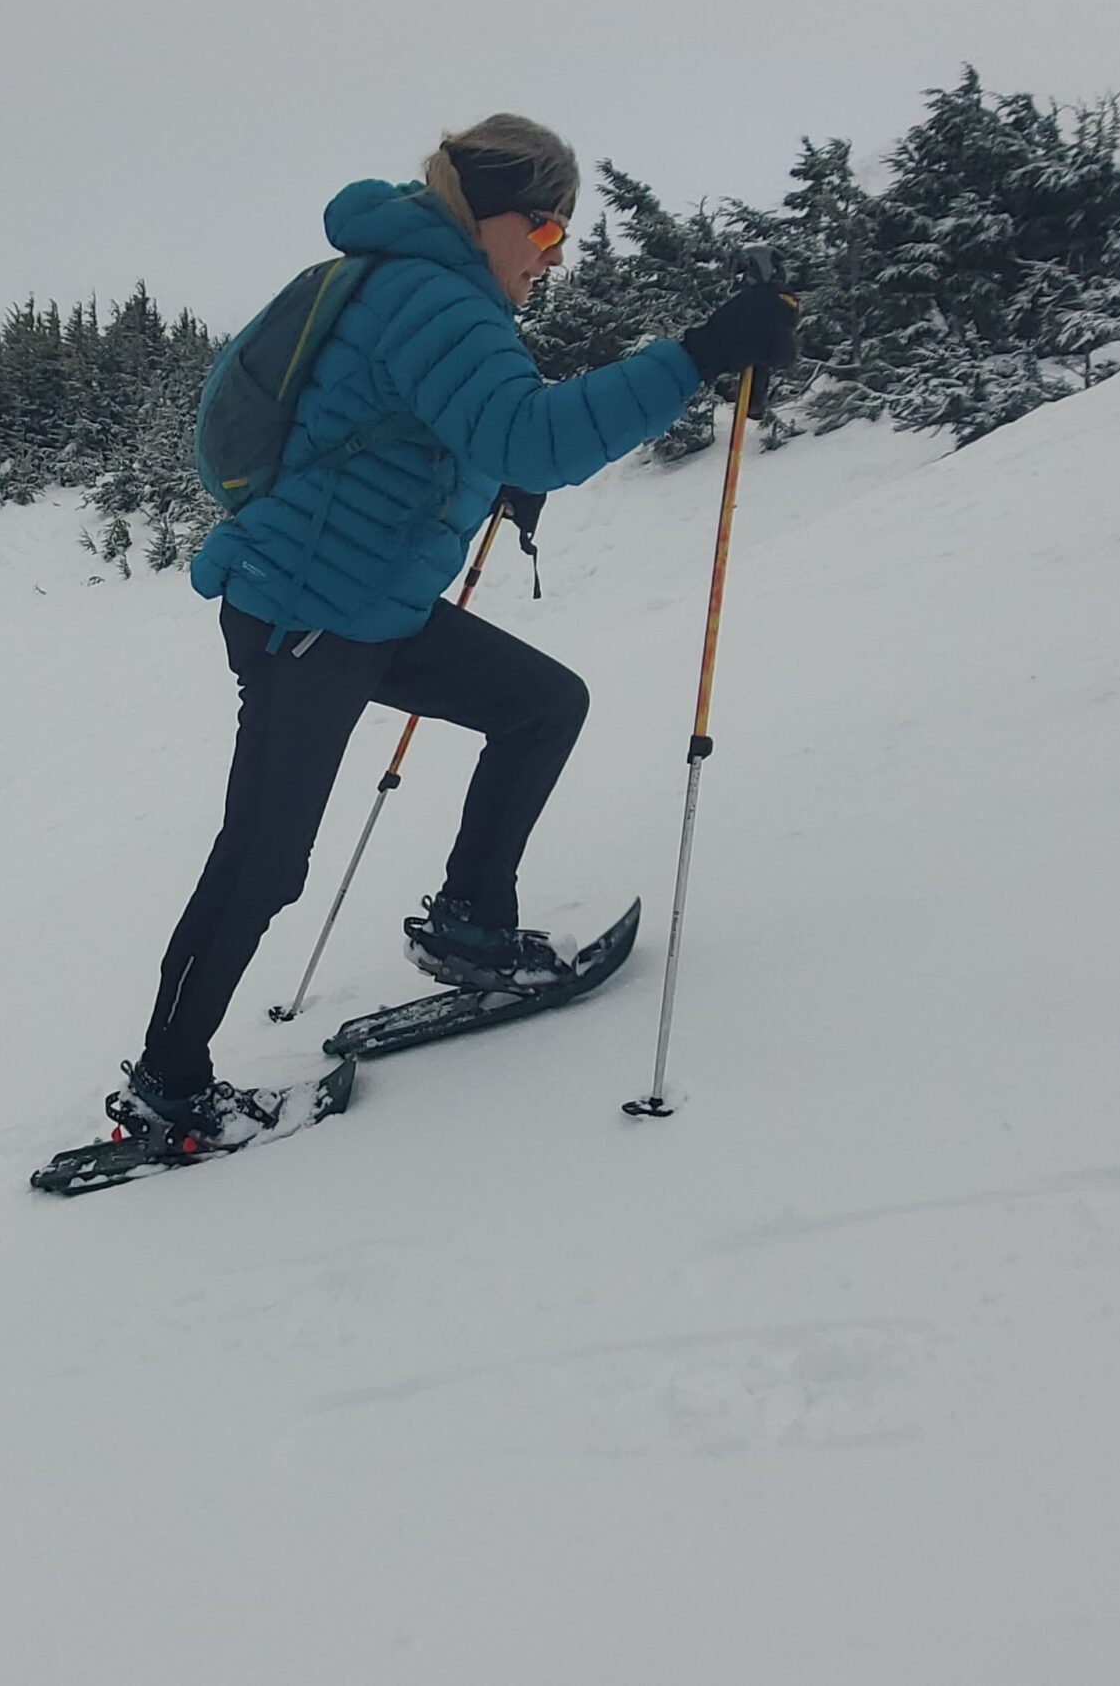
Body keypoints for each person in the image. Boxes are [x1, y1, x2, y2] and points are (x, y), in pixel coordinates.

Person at [113, 112, 797, 1143]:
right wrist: (697, 353)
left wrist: (500, 479)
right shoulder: (431, 296)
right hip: (309, 616)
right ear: (492, 216)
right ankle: (168, 1088)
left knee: (540, 706)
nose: (553, 257)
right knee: (263, 859)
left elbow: (434, 429)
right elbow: (533, 430)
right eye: (549, 232)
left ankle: (472, 924)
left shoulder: (430, 289)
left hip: (368, 605)